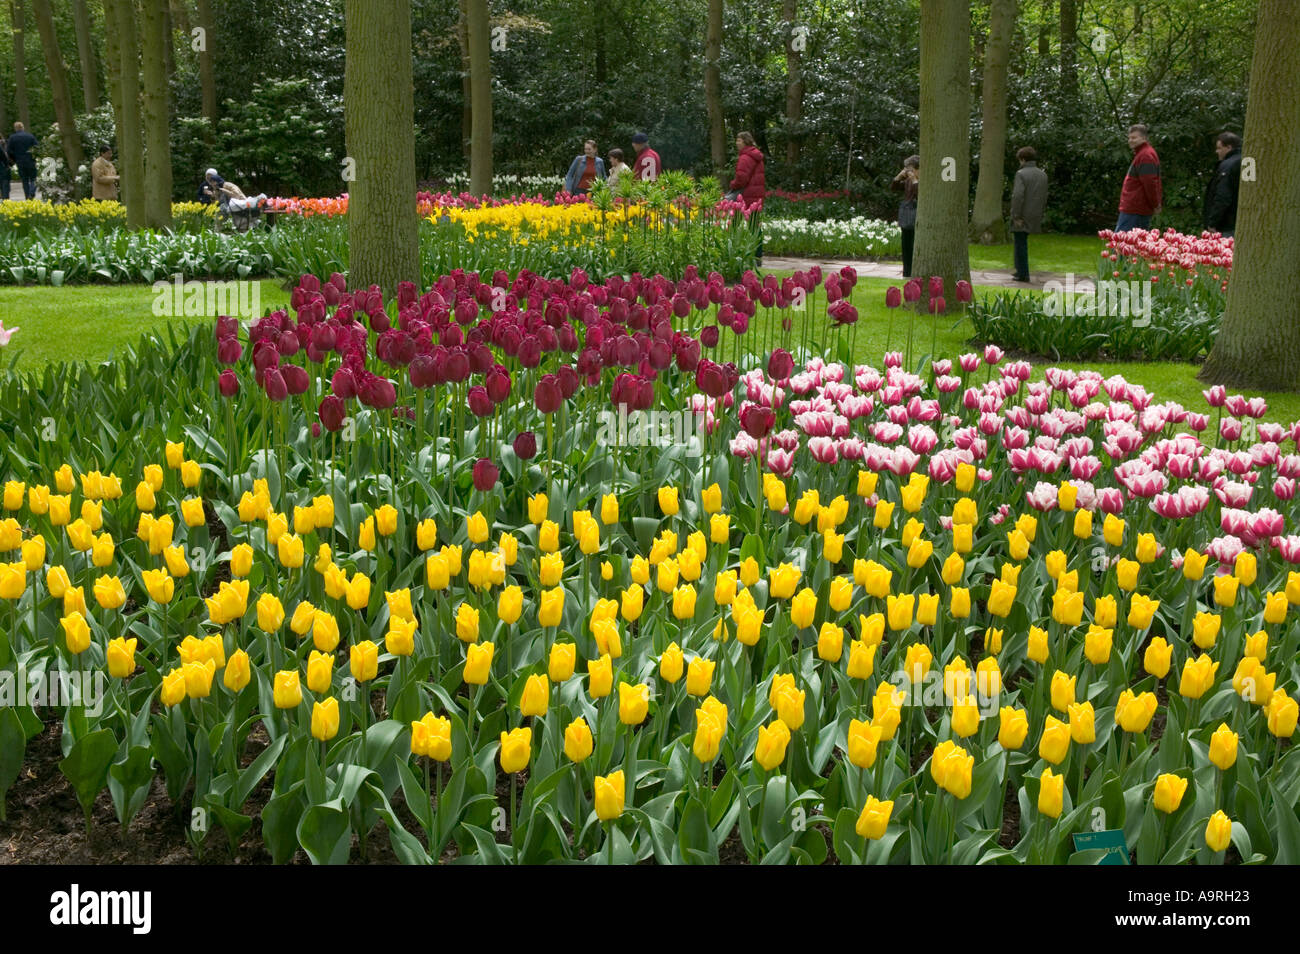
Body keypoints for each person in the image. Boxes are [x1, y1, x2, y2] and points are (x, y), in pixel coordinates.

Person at [1009, 146, 1049, 283]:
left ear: (1023, 159)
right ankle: (1019, 270)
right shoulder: (1043, 175)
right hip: (1036, 213)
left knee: (1020, 243)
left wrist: (1016, 215)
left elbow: (1018, 196)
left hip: (1022, 214)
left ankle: (1023, 273)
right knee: (1021, 242)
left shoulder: (1021, 174)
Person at [728, 131, 766, 264]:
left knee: (734, 225)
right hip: (756, 196)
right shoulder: (756, 156)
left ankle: (731, 253)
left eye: (739, 140)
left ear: (745, 141)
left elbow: (741, 179)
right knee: (755, 226)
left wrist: (732, 184)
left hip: (745, 197)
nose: (736, 143)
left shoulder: (745, 157)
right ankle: (757, 256)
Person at [1116, 123, 1161, 232]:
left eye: (1134, 137)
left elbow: (1150, 184)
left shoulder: (1145, 156)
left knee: (1121, 244)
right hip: (1136, 208)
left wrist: (1155, 204)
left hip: (1136, 209)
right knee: (1131, 246)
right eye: (1129, 138)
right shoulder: (1142, 154)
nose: (1130, 140)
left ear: (1144, 138)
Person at [1203, 131, 1242, 238]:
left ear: (1229, 147)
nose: (1217, 151)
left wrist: (1212, 222)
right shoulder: (1247, 161)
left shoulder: (1227, 166)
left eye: (1219, 148)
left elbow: (1222, 196)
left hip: (1226, 224)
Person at [890, 155, 919, 278]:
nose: (908, 172)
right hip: (906, 215)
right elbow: (893, 188)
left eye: (910, 169)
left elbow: (920, 194)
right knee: (906, 245)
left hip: (916, 215)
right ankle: (906, 272)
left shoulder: (922, 181)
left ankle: (913, 271)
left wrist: (915, 180)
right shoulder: (907, 181)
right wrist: (898, 177)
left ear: (917, 169)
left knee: (913, 245)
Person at [7, 122, 40, 200]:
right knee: (33, 178)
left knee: (24, 180)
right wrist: (34, 157)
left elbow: (9, 150)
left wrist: (14, 158)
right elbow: (37, 147)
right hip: (30, 160)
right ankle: (32, 192)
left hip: (20, 161)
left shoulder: (12, 138)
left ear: (15, 128)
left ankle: (27, 196)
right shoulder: (30, 136)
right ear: (23, 127)